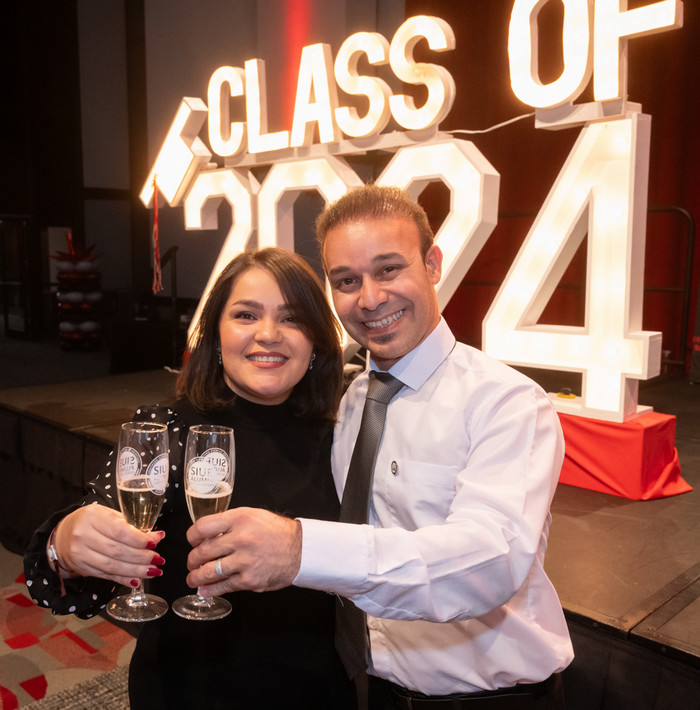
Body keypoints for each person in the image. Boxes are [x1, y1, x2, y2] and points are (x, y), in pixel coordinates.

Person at [185, 185, 575, 709]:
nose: (369, 299)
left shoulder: (505, 401)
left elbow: (490, 562)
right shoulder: (346, 402)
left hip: (487, 697)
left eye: (388, 269)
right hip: (371, 691)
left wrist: (302, 550)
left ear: (432, 263)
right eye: (347, 280)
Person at [24, 247, 356, 710]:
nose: (268, 335)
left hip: (319, 689)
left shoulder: (346, 436)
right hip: (190, 689)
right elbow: (69, 572)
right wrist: (65, 544)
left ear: (318, 343)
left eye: (292, 318)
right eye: (245, 315)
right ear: (216, 336)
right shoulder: (169, 431)